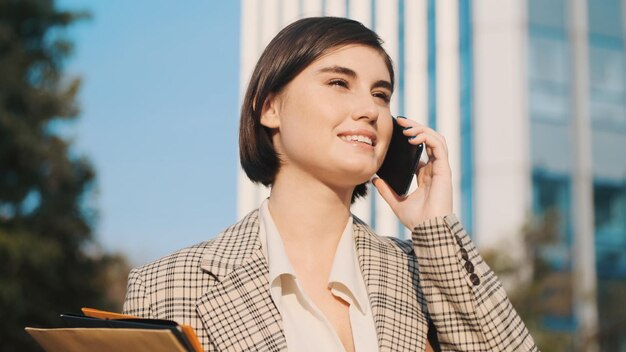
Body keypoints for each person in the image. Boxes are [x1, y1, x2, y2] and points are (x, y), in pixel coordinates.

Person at [123, 17, 538, 352]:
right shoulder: (169, 283)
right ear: (270, 108)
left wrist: (435, 228)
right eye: (339, 83)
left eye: (381, 94)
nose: (369, 110)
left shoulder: (423, 270)